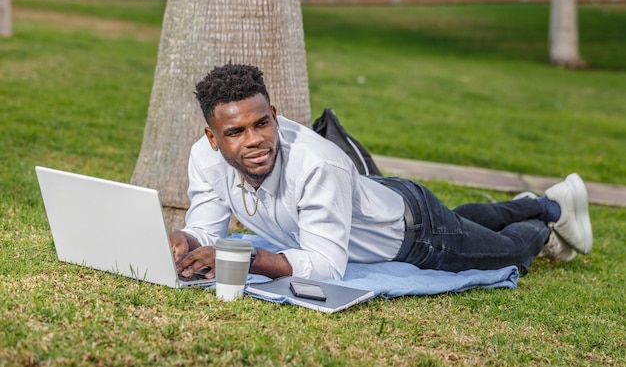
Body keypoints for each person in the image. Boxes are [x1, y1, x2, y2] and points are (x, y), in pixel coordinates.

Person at [170, 63, 593, 281]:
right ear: (212, 137)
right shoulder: (203, 158)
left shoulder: (316, 163)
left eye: (262, 124)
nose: (254, 140)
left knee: (509, 255)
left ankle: (547, 216)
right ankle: (528, 204)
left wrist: (241, 257)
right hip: (380, 198)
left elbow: (326, 265)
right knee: (463, 220)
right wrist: (184, 240)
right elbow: (207, 229)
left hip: (416, 238)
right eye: (235, 132)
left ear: (275, 115)